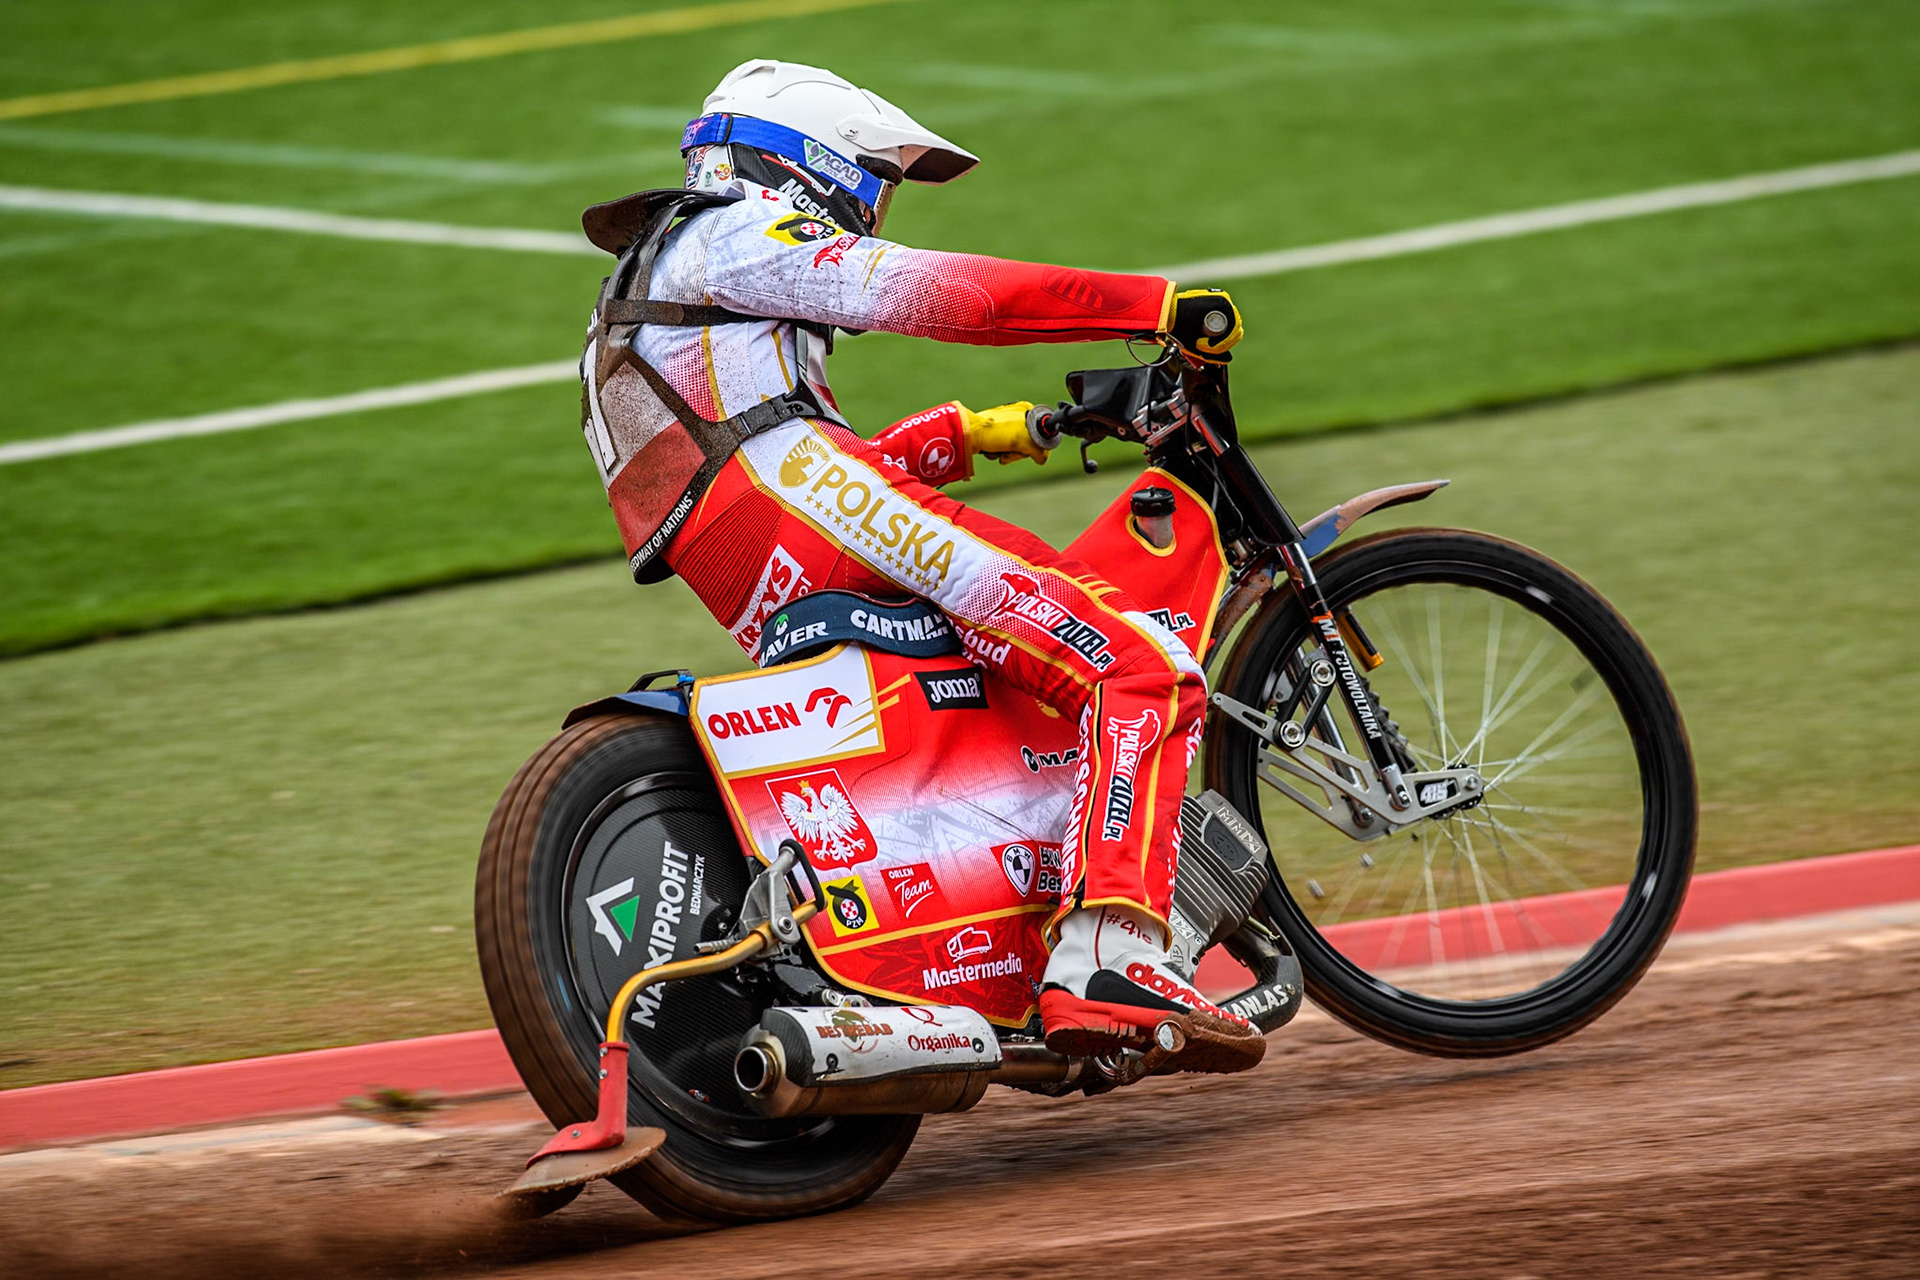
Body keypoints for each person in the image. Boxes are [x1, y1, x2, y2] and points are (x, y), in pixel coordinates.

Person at [578, 59, 1259, 1068]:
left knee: (1018, 686)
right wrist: (1155, 303)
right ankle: (1109, 951)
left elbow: (771, 445)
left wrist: (989, 430)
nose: (875, 211)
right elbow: (960, 300)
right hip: (809, 507)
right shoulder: (735, 229)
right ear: (807, 168)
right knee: (1138, 665)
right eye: (872, 183)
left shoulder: (663, 281)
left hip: (772, 556)